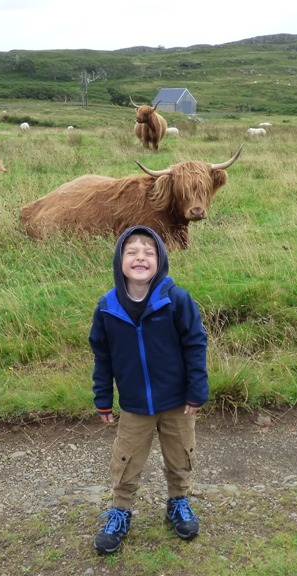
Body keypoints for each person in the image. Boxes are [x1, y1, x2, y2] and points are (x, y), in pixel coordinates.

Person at [89, 225, 208, 554]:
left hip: (177, 402)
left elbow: (196, 345)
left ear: (161, 260)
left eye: (148, 252)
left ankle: (178, 504)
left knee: (181, 455)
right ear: (119, 261)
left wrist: (197, 390)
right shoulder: (107, 307)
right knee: (125, 460)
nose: (140, 257)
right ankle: (121, 511)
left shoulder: (177, 300)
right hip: (134, 405)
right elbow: (102, 357)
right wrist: (103, 399)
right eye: (131, 252)